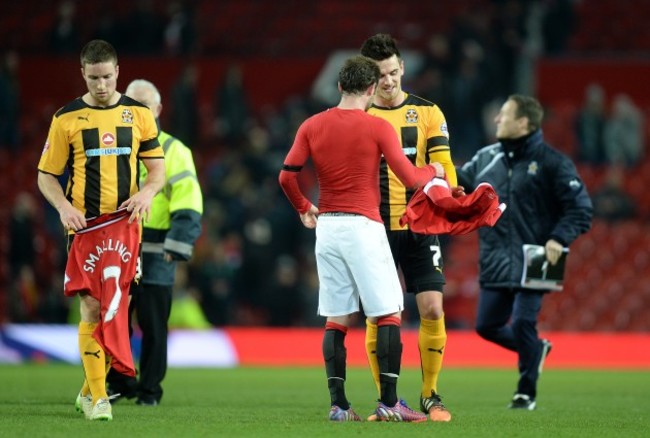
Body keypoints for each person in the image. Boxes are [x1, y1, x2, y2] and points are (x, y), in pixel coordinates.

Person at [278, 55, 439, 422]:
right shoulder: (377, 127)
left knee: (337, 317)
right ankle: (390, 403)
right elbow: (413, 179)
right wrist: (436, 169)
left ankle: (339, 406)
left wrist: (304, 206)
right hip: (364, 226)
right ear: (370, 89)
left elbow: (286, 176)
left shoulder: (312, 125)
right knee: (388, 313)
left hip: (328, 227)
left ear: (338, 87)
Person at [37, 39, 165, 421]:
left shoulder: (139, 114)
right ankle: (98, 399)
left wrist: (146, 192)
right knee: (92, 306)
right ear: (83, 74)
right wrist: (63, 207)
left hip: (126, 226)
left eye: (107, 77)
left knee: (116, 310)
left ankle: (86, 390)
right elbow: (46, 175)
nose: (102, 85)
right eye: (94, 78)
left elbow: (157, 169)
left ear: (118, 72)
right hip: (87, 228)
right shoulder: (66, 118)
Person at [456, 94, 593, 410]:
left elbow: (580, 208)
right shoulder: (486, 157)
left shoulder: (553, 163)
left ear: (524, 123)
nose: (497, 119)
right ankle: (536, 349)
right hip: (495, 257)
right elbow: (459, 179)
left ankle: (525, 392)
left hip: (537, 257)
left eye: (504, 114)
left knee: (521, 324)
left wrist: (559, 237)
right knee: (486, 326)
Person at [360, 33, 457, 422]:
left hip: (420, 224)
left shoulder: (429, 111)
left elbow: (443, 163)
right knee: (379, 316)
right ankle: (386, 401)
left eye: (394, 71)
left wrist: (450, 192)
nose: (388, 80)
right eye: (381, 74)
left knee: (432, 308)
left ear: (403, 68)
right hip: (375, 227)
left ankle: (431, 394)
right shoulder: (360, 115)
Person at [105, 78, 203, 406]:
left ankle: (149, 390)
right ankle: (119, 383)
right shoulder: (111, 147)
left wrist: (178, 242)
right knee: (115, 319)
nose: (138, 112)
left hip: (156, 247)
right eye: (132, 106)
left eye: (144, 106)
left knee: (153, 322)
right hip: (117, 245)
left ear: (158, 109)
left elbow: (188, 199)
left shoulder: (175, 151)